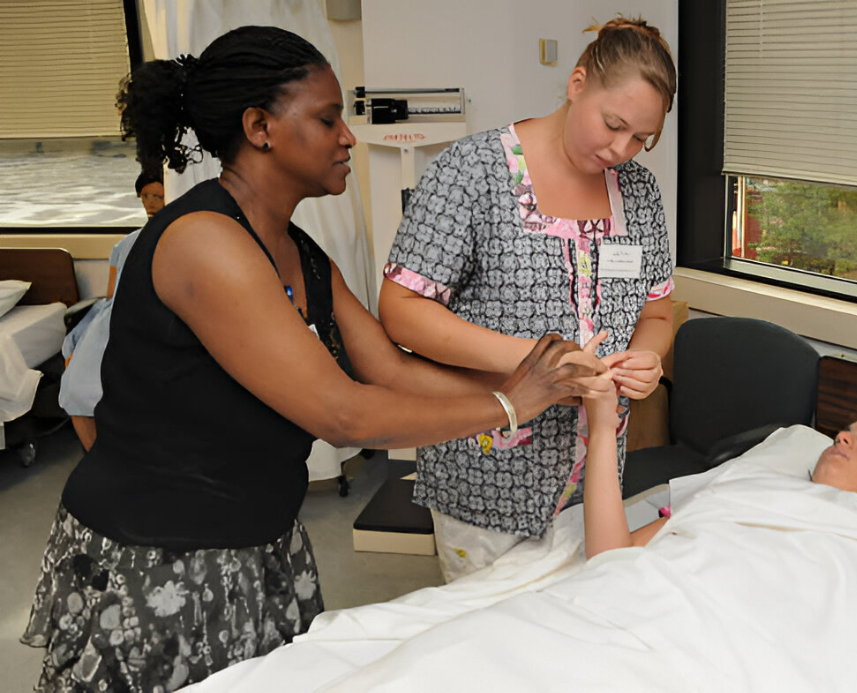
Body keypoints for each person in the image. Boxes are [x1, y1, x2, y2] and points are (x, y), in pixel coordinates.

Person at [23, 26, 607, 692]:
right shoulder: (204, 243)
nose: (348, 137)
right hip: (162, 553)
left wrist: (541, 382)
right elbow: (343, 414)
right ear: (260, 128)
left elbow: (389, 368)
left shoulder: (299, 251)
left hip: (258, 538)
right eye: (328, 119)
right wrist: (510, 404)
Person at [378, 16, 678, 581]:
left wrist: (647, 356)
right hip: (487, 473)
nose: (621, 149)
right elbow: (402, 311)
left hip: (595, 482)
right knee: (490, 625)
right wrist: (540, 363)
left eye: (642, 138)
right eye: (613, 124)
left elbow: (657, 311)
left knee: (579, 618)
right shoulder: (472, 172)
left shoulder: (639, 193)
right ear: (577, 83)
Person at [582, 375, 857, 558]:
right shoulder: (746, 490)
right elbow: (610, 556)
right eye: (844, 433)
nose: (843, 437)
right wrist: (602, 428)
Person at [62, 168, 165, 450]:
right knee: (76, 385)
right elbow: (111, 295)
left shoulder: (181, 241)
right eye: (145, 196)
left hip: (151, 318)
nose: (150, 203)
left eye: (158, 196)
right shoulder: (124, 245)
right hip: (114, 316)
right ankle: (96, 457)